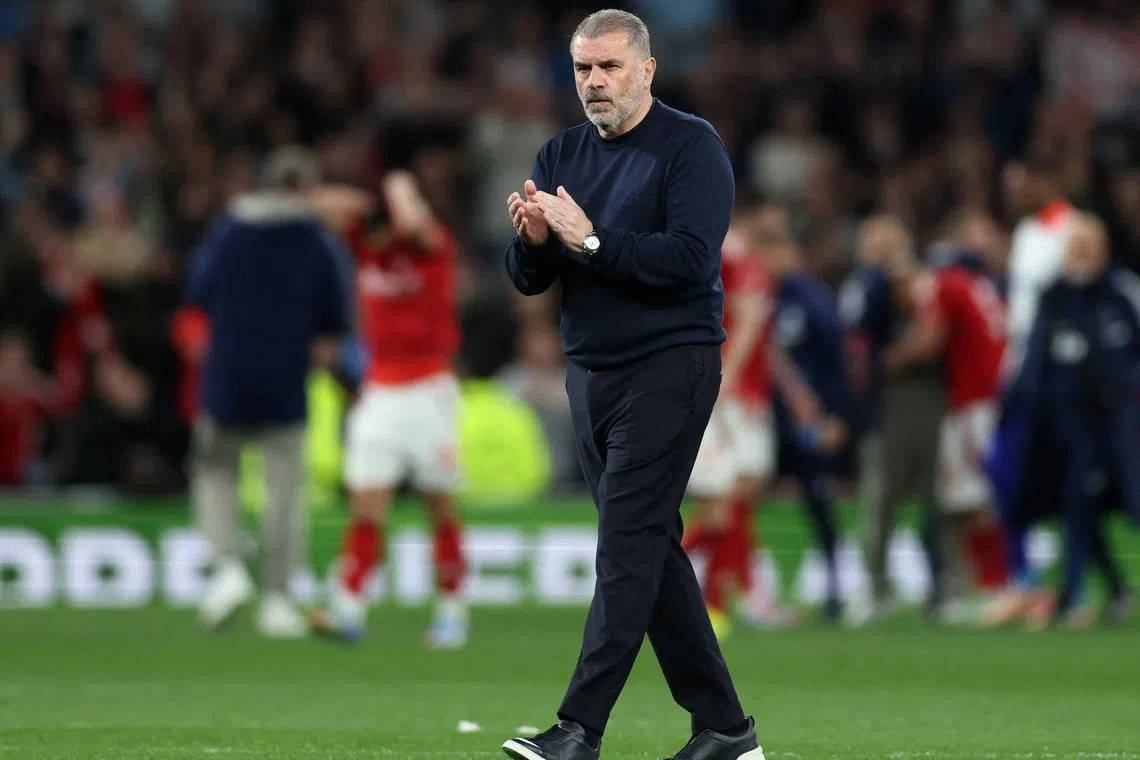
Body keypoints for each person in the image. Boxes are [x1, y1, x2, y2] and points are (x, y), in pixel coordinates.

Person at [501, 10, 764, 760]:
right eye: (583, 69)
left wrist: (587, 239)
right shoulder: (562, 152)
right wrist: (534, 246)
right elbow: (533, 280)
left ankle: (578, 729)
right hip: (591, 372)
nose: (594, 83)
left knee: (624, 544)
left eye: (609, 68)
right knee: (649, 545)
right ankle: (725, 730)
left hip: (670, 366)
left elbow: (687, 260)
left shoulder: (691, 147)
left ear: (646, 70)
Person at [189, 146, 350, 638]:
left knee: (215, 472)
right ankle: (277, 600)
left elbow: (198, 295)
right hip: (285, 380)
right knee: (283, 493)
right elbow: (333, 322)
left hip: (227, 378)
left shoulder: (228, 232)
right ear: (305, 188)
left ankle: (228, 567)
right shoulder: (318, 242)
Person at [306, 170, 470, 649]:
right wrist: (368, 195)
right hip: (379, 391)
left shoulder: (433, 247)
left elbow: (414, 220)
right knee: (366, 507)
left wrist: (398, 187)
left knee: (439, 506)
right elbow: (318, 203)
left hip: (429, 390)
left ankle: (452, 607)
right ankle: (349, 607)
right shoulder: (369, 249)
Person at [1006, 214, 1139, 628]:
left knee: (1128, 503)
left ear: (1103, 251)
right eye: (1073, 249)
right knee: (1077, 504)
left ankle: (1101, 591)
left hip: (1121, 425)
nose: (1079, 258)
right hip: (1070, 427)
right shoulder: (1054, 298)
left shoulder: (1122, 294)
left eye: (1087, 249)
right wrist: (1021, 409)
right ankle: (1081, 593)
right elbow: (1035, 360)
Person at [882, 211, 1009, 623]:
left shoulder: (938, 286)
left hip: (975, 402)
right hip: (989, 399)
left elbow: (930, 339)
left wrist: (893, 358)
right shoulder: (971, 285)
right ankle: (978, 585)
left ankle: (997, 587)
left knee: (971, 498)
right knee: (965, 496)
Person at [682, 199, 798, 637]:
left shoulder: (736, 259)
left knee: (738, 500)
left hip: (745, 393)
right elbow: (747, 322)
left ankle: (736, 596)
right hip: (731, 396)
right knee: (722, 504)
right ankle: (649, 576)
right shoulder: (737, 255)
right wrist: (726, 379)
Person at [984, 153, 1079, 626]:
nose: (1013, 194)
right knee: (1003, 470)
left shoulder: (1074, 231)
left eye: (1020, 184)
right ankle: (1027, 583)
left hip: (1061, 377)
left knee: (1071, 482)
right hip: (1020, 372)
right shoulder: (1025, 235)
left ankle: (1071, 588)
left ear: (1044, 181)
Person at [842, 214, 947, 625]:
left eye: (891, 242)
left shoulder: (927, 282)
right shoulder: (864, 287)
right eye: (876, 242)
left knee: (933, 493)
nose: (884, 250)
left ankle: (943, 586)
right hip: (881, 402)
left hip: (927, 397)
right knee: (881, 496)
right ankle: (874, 586)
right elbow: (858, 342)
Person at [764, 235, 849, 622]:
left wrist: (836, 415)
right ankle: (753, 588)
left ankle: (834, 586)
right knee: (743, 499)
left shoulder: (814, 301)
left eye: (775, 250)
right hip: (771, 417)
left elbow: (837, 364)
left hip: (808, 418)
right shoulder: (765, 297)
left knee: (818, 500)